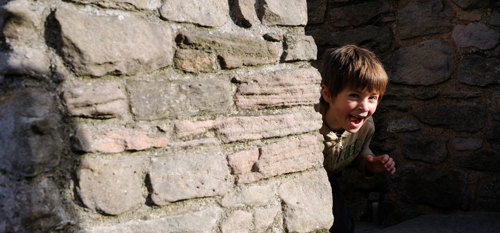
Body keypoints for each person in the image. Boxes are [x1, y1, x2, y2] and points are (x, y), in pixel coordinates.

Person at [317, 45, 396, 233]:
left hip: (330, 179)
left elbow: (361, 149)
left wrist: (368, 163)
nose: (364, 107)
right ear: (327, 94)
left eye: (372, 98)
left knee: (343, 227)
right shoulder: (310, 123)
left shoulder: (366, 126)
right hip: (310, 179)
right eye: (354, 95)